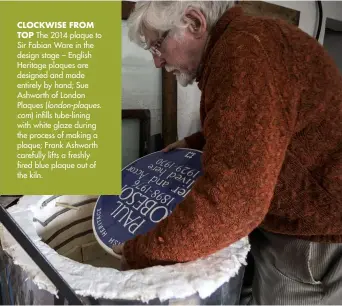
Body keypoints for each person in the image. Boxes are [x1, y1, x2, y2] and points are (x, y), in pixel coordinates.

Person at [113, 1, 342, 304]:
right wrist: (198, 142)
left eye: (157, 45)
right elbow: (266, 125)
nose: (158, 62)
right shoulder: (249, 40)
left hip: (313, 235)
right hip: (296, 213)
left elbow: (236, 201)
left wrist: (142, 250)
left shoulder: (244, 54)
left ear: (195, 23)